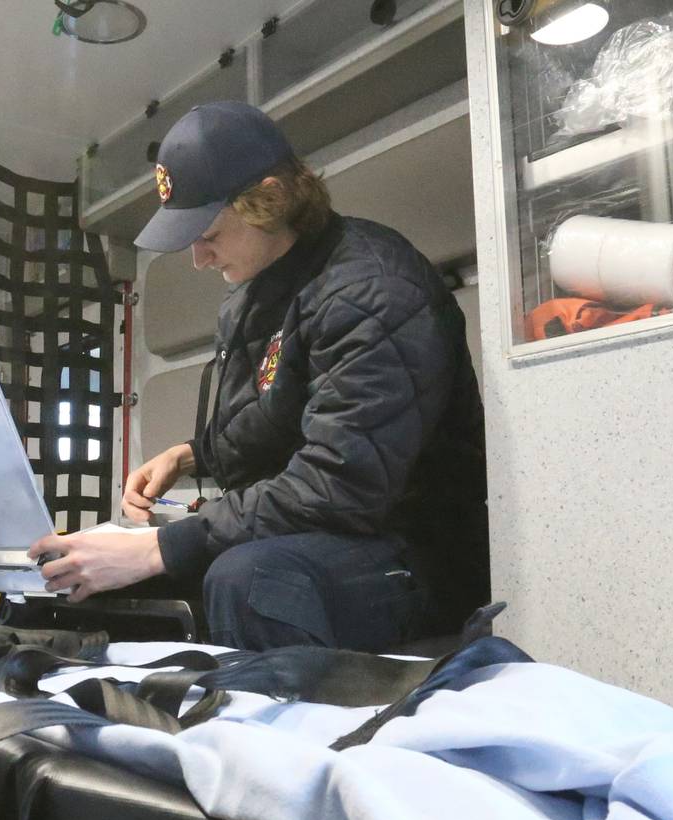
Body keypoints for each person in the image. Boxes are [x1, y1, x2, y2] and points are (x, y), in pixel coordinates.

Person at [28, 100, 488, 652]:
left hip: (411, 549)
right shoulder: (259, 292)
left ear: (270, 200)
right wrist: (189, 455)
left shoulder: (372, 291)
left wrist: (161, 548)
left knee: (250, 583)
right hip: (325, 532)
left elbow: (339, 485)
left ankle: (293, 734)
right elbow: (277, 426)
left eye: (209, 234)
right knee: (96, 578)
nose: (198, 258)